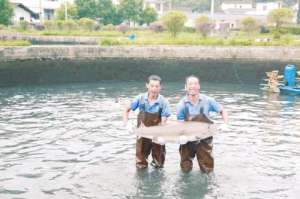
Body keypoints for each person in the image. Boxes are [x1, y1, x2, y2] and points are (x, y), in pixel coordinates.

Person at [176, 75, 228, 173]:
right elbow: (180, 123)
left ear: (199, 86)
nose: (193, 86)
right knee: (185, 168)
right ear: (186, 87)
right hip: (187, 139)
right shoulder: (181, 104)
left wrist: (225, 123)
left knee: (207, 170)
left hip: (205, 139)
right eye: (190, 84)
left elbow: (222, 111)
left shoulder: (208, 100)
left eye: (195, 84)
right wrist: (181, 136)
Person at [123, 75, 171, 169]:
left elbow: (163, 121)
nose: (154, 89)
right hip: (142, 134)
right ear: (147, 85)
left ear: (160, 87)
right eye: (152, 86)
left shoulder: (164, 102)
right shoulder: (140, 99)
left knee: (159, 164)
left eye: (156, 86)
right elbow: (126, 110)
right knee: (140, 164)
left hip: (157, 135)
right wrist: (126, 124)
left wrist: (162, 135)